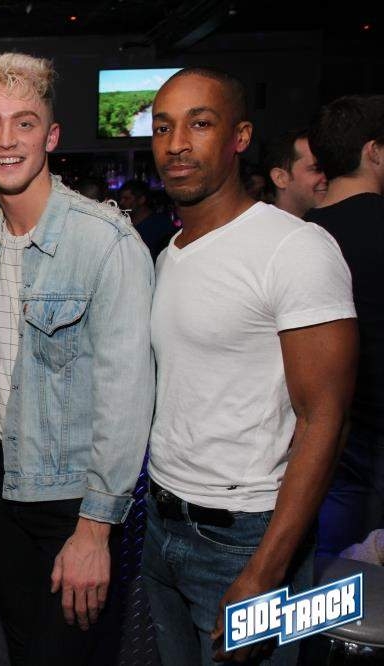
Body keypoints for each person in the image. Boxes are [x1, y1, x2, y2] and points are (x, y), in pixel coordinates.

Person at [143, 66, 358, 665]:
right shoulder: (169, 254)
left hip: (247, 538)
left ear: (239, 137)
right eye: (162, 127)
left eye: (199, 124)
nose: (176, 143)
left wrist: (266, 570)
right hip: (162, 524)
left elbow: (327, 419)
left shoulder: (294, 248)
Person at [0, 53, 155, 664]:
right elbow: (2, 361)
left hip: (75, 503)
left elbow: (127, 399)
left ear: (50, 136)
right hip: (4, 489)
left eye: (24, 123)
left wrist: (95, 530)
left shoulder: (105, 242)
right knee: (23, 649)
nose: (6, 140)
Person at [306, 95, 384, 557]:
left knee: (328, 571)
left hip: (313, 439)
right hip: (370, 442)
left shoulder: (295, 235)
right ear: (373, 151)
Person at [263, 129, 327, 218]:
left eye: (329, 168)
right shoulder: (260, 225)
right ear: (280, 178)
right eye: (317, 169)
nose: (327, 177)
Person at [117, 178, 176, 260]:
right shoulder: (121, 223)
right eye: (121, 198)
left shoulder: (161, 225)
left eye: (126, 198)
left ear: (141, 200)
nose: (121, 202)